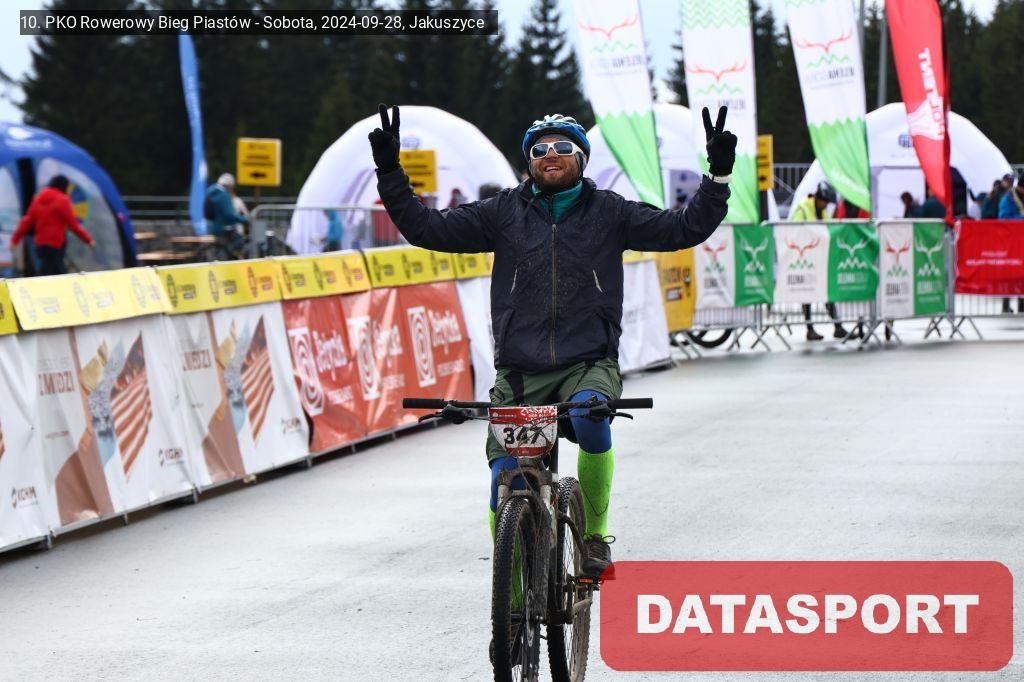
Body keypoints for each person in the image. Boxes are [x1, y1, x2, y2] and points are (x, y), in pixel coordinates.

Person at [368, 103, 735, 577]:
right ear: (529, 162)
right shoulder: (503, 212)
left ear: (581, 157)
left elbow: (685, 228)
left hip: (588, 363)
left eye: (562, 147)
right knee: (503, 482)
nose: (550, 155)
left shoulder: (610, 212)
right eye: (539, 150)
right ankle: (512, 603)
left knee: (590, 419)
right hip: (520, 371)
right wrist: (389, 171)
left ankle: (595, 537)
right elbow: (426, 228)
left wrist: (718, 177)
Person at [787, 181, 855, 341]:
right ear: (818, 198)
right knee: (807, 293)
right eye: (824, 202)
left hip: (819, 258)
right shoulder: (802, 208)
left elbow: (828, 231)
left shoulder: (823, 212)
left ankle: (838, 327)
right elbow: (794, 231)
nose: (825, 205)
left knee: (825, 292)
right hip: (804, 259)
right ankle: (810, 328)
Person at [12, 175, 95, 276]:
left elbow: (26, 221)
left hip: (41, 245)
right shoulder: (62, 200)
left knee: (51, 272)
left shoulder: (38, 199)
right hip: (55, 244)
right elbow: (73, 225)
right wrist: (88, 240)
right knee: (53, 274)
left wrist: (15, 240)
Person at [204, 173, 249, 240]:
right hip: (223, 230)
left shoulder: (211, 192)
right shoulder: (223, 195)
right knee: (239, 242)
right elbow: (229, 215)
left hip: (212, 227)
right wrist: (244, 219)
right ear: (229, 185)